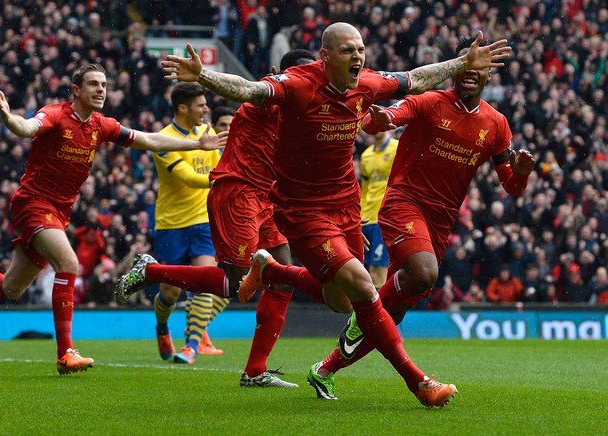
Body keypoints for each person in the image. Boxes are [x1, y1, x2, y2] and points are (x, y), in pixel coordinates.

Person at [159, 23, 511, 406]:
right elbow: (250, 90)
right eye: (347, 51)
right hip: (302, 208)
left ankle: (272, 271)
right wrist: (203, 76)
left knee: (341, 301)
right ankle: (419, 382)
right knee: (362, 286)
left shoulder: (369, 84)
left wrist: (462, 61)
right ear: (325, 56)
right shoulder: (297, 84)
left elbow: (417, 78)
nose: (357, 57)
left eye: (360, 49)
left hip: (346, 204)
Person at [0, 64, 227, 375]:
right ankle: (65, 353)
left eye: (105, 85)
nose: (101, 90)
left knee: (12, 288)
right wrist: (8, 118)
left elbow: (148, 140)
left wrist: (195, 143)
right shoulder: (56, 115)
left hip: (59, 210)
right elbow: (27, 127)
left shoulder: (102, 124)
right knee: (69, 264)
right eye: (94, 84)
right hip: (33, 203)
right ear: (76, 90)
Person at [312, 35, 535, 393]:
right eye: (463, 64)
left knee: (393, 315)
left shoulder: (496, 124)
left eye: (477, 66)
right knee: (424, 273)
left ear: (489, 76)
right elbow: (384, 119)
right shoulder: (431, 101)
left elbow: (511, 186)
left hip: (441, 222)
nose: (469, 71)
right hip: (404, 203)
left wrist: (521, 173)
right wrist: (383, 119)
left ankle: (324, 369)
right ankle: (363, 314)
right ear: (454, 71)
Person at [116, 49, 318, 388]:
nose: (306, 85)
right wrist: (203, 75)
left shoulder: (305, 112)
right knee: (238, 286)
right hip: (236, 195)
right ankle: (149, 271)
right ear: (277, 75)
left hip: (265, 198)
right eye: (300, 76)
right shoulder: (267, 99)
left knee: (281, 280)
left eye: (312, 77)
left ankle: (254, 370)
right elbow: (240, 88)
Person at [146, 82, 229, 365]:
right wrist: (223, 179)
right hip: (172, 224)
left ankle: (192, 345)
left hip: (204, 220)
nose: (206, 109)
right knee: (170, 292)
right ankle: (161, 326)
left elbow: (219, 165)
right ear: (183, 108)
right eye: (201, 105)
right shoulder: (163, 139)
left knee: (206, 280)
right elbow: (189, 178)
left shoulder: (208, 133)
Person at [360, 130, 398, 288]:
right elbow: (365, 190)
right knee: (362, 272)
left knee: (378, 270)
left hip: (383, 219)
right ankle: (366, 311)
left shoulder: (397, 148)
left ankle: (380, 311)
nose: (377, 127)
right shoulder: (365, 156)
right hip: (365, 219)